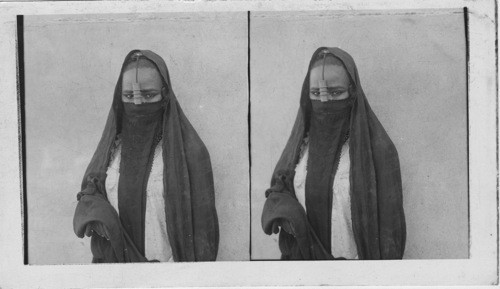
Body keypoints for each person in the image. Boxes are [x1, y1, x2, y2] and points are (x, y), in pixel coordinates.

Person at [73, 50, 219, 262]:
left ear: (165, 95)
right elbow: (90, 191)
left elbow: (205, 235)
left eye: (149, 95)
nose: (138, 104)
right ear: (120, 98)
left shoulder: (190, 153)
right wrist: (97, 215)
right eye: (129, 96)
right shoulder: (112, 150)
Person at [261, 47, 406, 260]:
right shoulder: (301, 146)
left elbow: (390, 233)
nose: (325, 101)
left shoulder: (379, 151)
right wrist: (287, 214)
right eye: (316, 93)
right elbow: (279, 188)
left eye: (336, 92)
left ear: (352, 93)